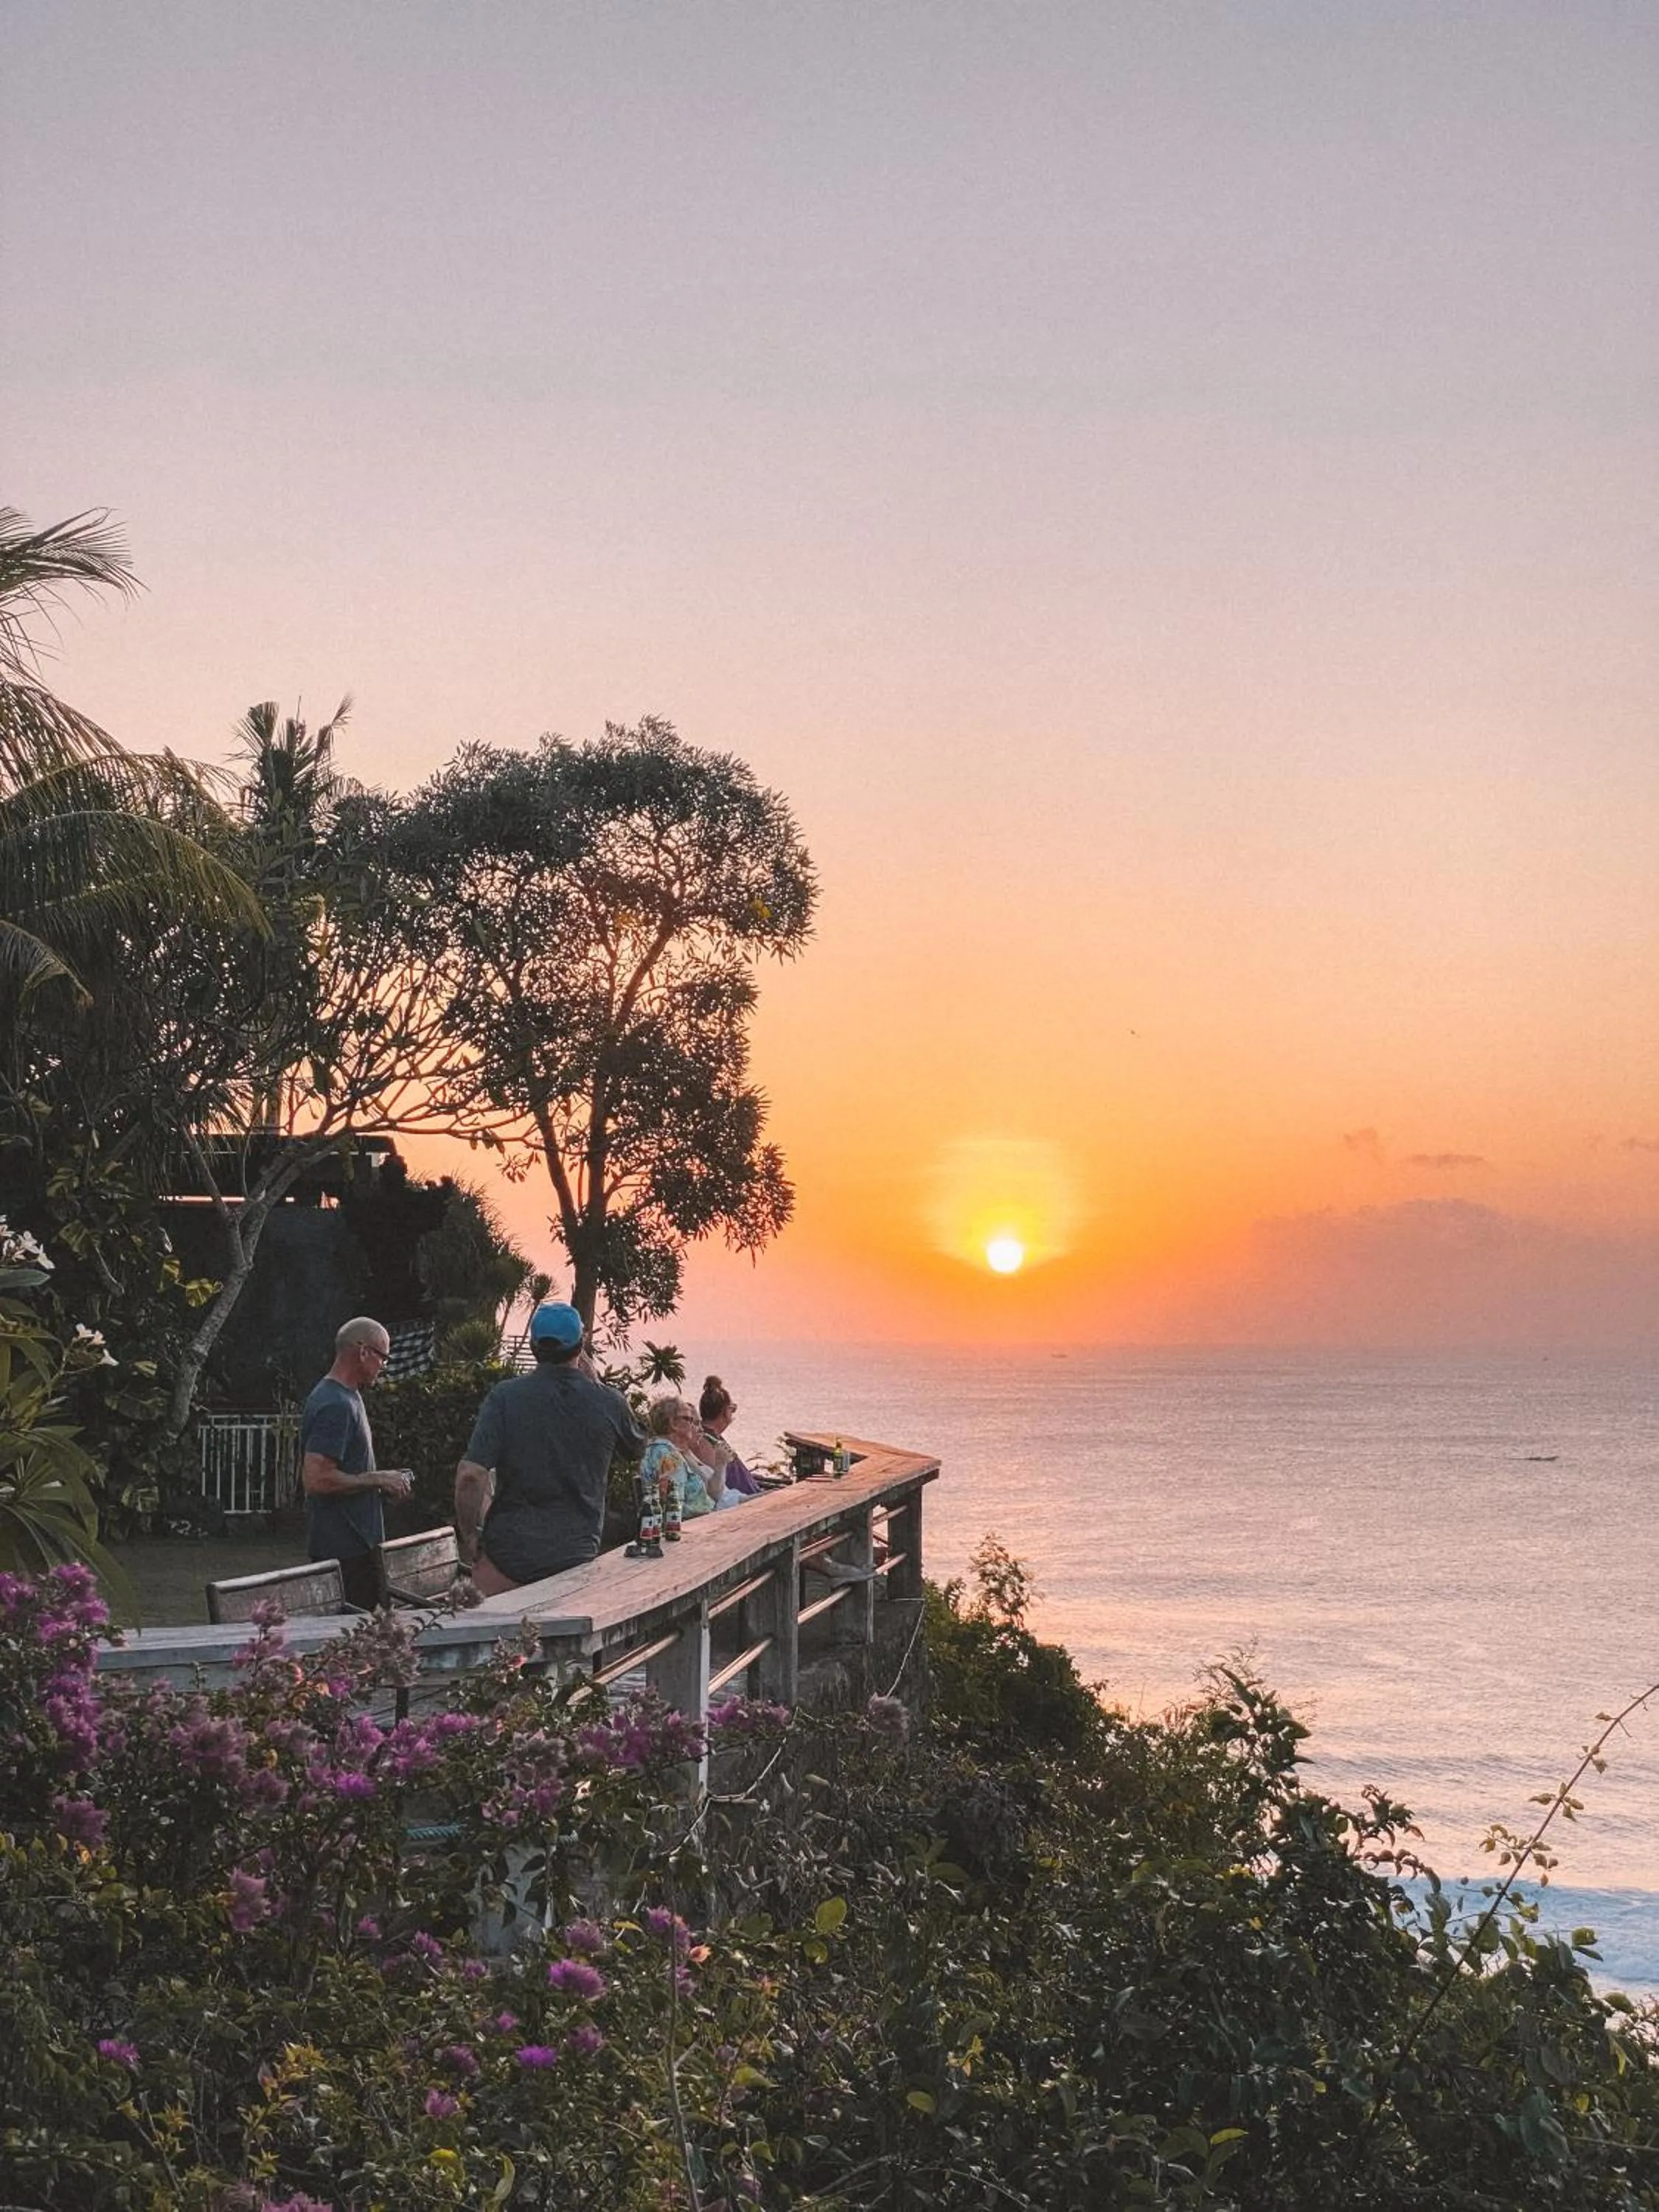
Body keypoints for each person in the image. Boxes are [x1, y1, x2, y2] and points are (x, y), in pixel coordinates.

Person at [454, 1301, 649, 1596]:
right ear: (581, 1346)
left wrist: (469, 1536)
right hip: (576, 1557)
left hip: (507, 1559)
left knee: (494, 1638)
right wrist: (596, 1383)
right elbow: (638, 1448)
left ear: (533, 1346)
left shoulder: (505, 1398)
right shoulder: (608, 1402)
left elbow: (471, 1475)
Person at [300, 1315, 413, 1610]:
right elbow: (316, 1479)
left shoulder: (349, 1397)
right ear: (363, 1351)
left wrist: (384, 1482)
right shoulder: (334, 1404)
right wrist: (377, 1479)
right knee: (352, 1646)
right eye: (383, 1358)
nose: (383, 1366)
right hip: (342, 1551)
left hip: (359, 1547)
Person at [698, 1375, 763, 1498]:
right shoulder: (706, 1442)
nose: (733, 1414)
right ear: (725, 1411)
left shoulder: (710, 1437)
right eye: (732, 1409)